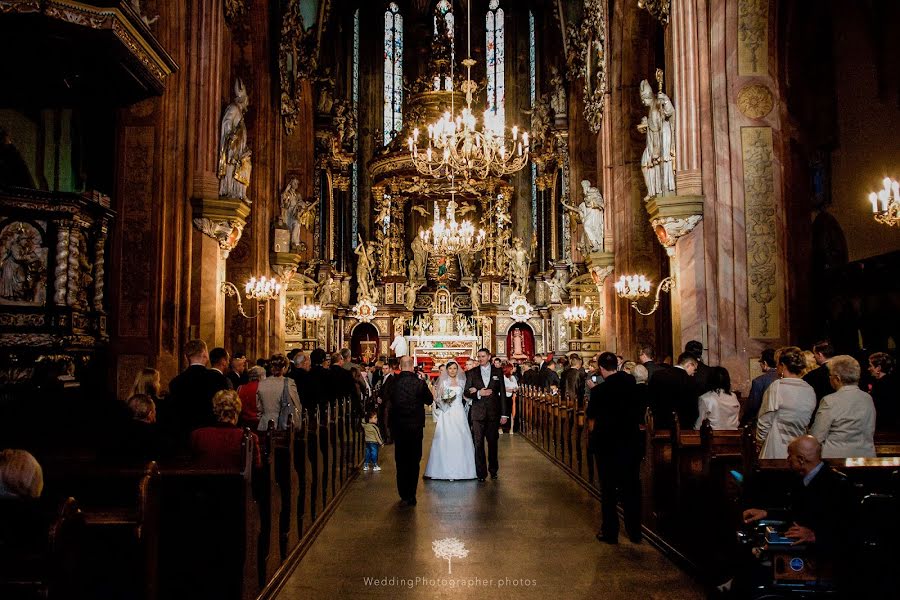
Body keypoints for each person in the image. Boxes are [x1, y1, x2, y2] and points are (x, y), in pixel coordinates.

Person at [741, 436, 852, 578]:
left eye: (789, 456)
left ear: (801, 460)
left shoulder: (837, 485)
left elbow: (848, 530)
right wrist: (766, 513)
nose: (787, 460)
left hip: (821, 558)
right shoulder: (802, 479)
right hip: (798, 547)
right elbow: (794, 513)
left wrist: (815, 536)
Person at [588, 352, 643, 544]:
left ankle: (610, 531)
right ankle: (635, 531)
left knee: (609, 489)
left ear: (602, 368)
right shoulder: (632, 385)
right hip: (631, 442)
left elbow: (591, 414)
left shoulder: (599, 391)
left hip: (607, 444)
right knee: (632, 486)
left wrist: (594, 390)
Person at [385, 356, 434, 505]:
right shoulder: (419, 383)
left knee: (400, 460)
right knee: (414, 459)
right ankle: (411, 494)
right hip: (415, 426)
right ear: (412, 366)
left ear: (400, 366)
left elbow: (386, 399)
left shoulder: (393, 382)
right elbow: (429, 400)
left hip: (399, 426)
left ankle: (403, 493)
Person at [163, 339, 230, 445]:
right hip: (210, 438)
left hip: (183, 438)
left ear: (186, 357)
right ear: (205, 354)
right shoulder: (217, 379)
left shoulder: (176, 382)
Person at [810, 355, 876, 458]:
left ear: (837, 378)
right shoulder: (867, 398)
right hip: (865, 456)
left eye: (830, 376)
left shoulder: (829, 401)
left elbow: (817, 436)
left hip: (837, 459)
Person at [756, 347, 816, 459]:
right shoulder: (809, 389)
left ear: (783, 366)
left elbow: (765, 419)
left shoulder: (777, 386)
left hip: (777, 445)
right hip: (799, 445)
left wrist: (759, 441)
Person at [424, 361, 477, 480]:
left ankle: (463, 470)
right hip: (447, 413)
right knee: (446, 438)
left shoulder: (462, 382)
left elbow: (465, 396)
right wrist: (445, 400)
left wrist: (472, 398)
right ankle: (444, 470)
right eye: (450, 368)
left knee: (460, 438)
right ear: (447, 370)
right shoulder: (444, 382)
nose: (452, 370)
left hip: (459, 413)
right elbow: (438, 398)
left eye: (454, 368)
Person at [464, 348, 508, 482]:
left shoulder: (498, 371)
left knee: (493, 442)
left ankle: (493, 470)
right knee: (478, 444)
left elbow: (502, 393)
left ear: (489, 357)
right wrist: (478, 393)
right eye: (479, 356)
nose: (481, 358)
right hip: (477, 413)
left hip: (493, 413)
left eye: (483, 356)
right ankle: (481, 473)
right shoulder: (471, 372)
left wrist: (504, 414)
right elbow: (466, 392)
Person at [191, 390, 261, 469]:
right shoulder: (250, 437)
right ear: (237, 411)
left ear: (215, 410)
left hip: (205, 481)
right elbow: (256, 470)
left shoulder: (198, 435)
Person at [649, 352, 699, 429]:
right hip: (681, 427)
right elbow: (693, 410)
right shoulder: (690, 381)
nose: (693, 373)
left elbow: (651, 400)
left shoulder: (657, 375)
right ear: (689, 364)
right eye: (694, 369)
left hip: (658, 425)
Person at [256, 354, 300, 431]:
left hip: (264, 424)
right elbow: (297, 405)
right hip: (282, 425)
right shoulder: (289, 383)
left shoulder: (261, 383)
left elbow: (259, 407)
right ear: (284, 368)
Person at [741, 348, 779, 426]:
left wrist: (743, 423)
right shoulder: (784, 378)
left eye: (760, 362)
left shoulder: (758, 381)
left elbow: (752, 407)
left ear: (765, 363)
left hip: (763, 423)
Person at [868, 352, 899, 431]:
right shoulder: (892, 382)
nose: (868, 369)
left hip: (885, 427)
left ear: (878, 368)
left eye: (870, 366)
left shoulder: (881, 385)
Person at [803, 340, 836, 407]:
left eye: (814, 353)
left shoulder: (812, 375)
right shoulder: (843, 369)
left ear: (820, 355)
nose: (813, 357)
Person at [237, 365, 265, 429]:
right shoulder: (263, 388)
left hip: (244, 423)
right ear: (261, 376)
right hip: (258, 423)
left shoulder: (240, 388)